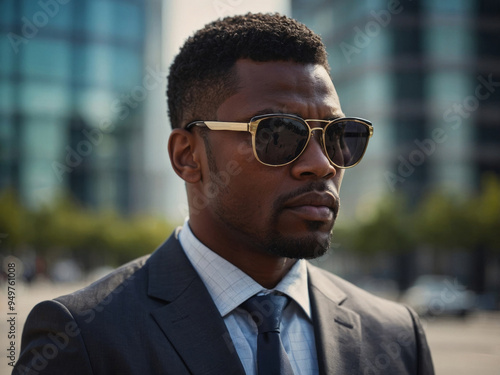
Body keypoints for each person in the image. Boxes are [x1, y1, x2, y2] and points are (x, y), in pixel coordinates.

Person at [14, 13, 434, 375]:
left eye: (340, 135)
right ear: (188, 156)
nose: (323, 163)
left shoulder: (397, 336)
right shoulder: (82, 338)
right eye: (277, 133)